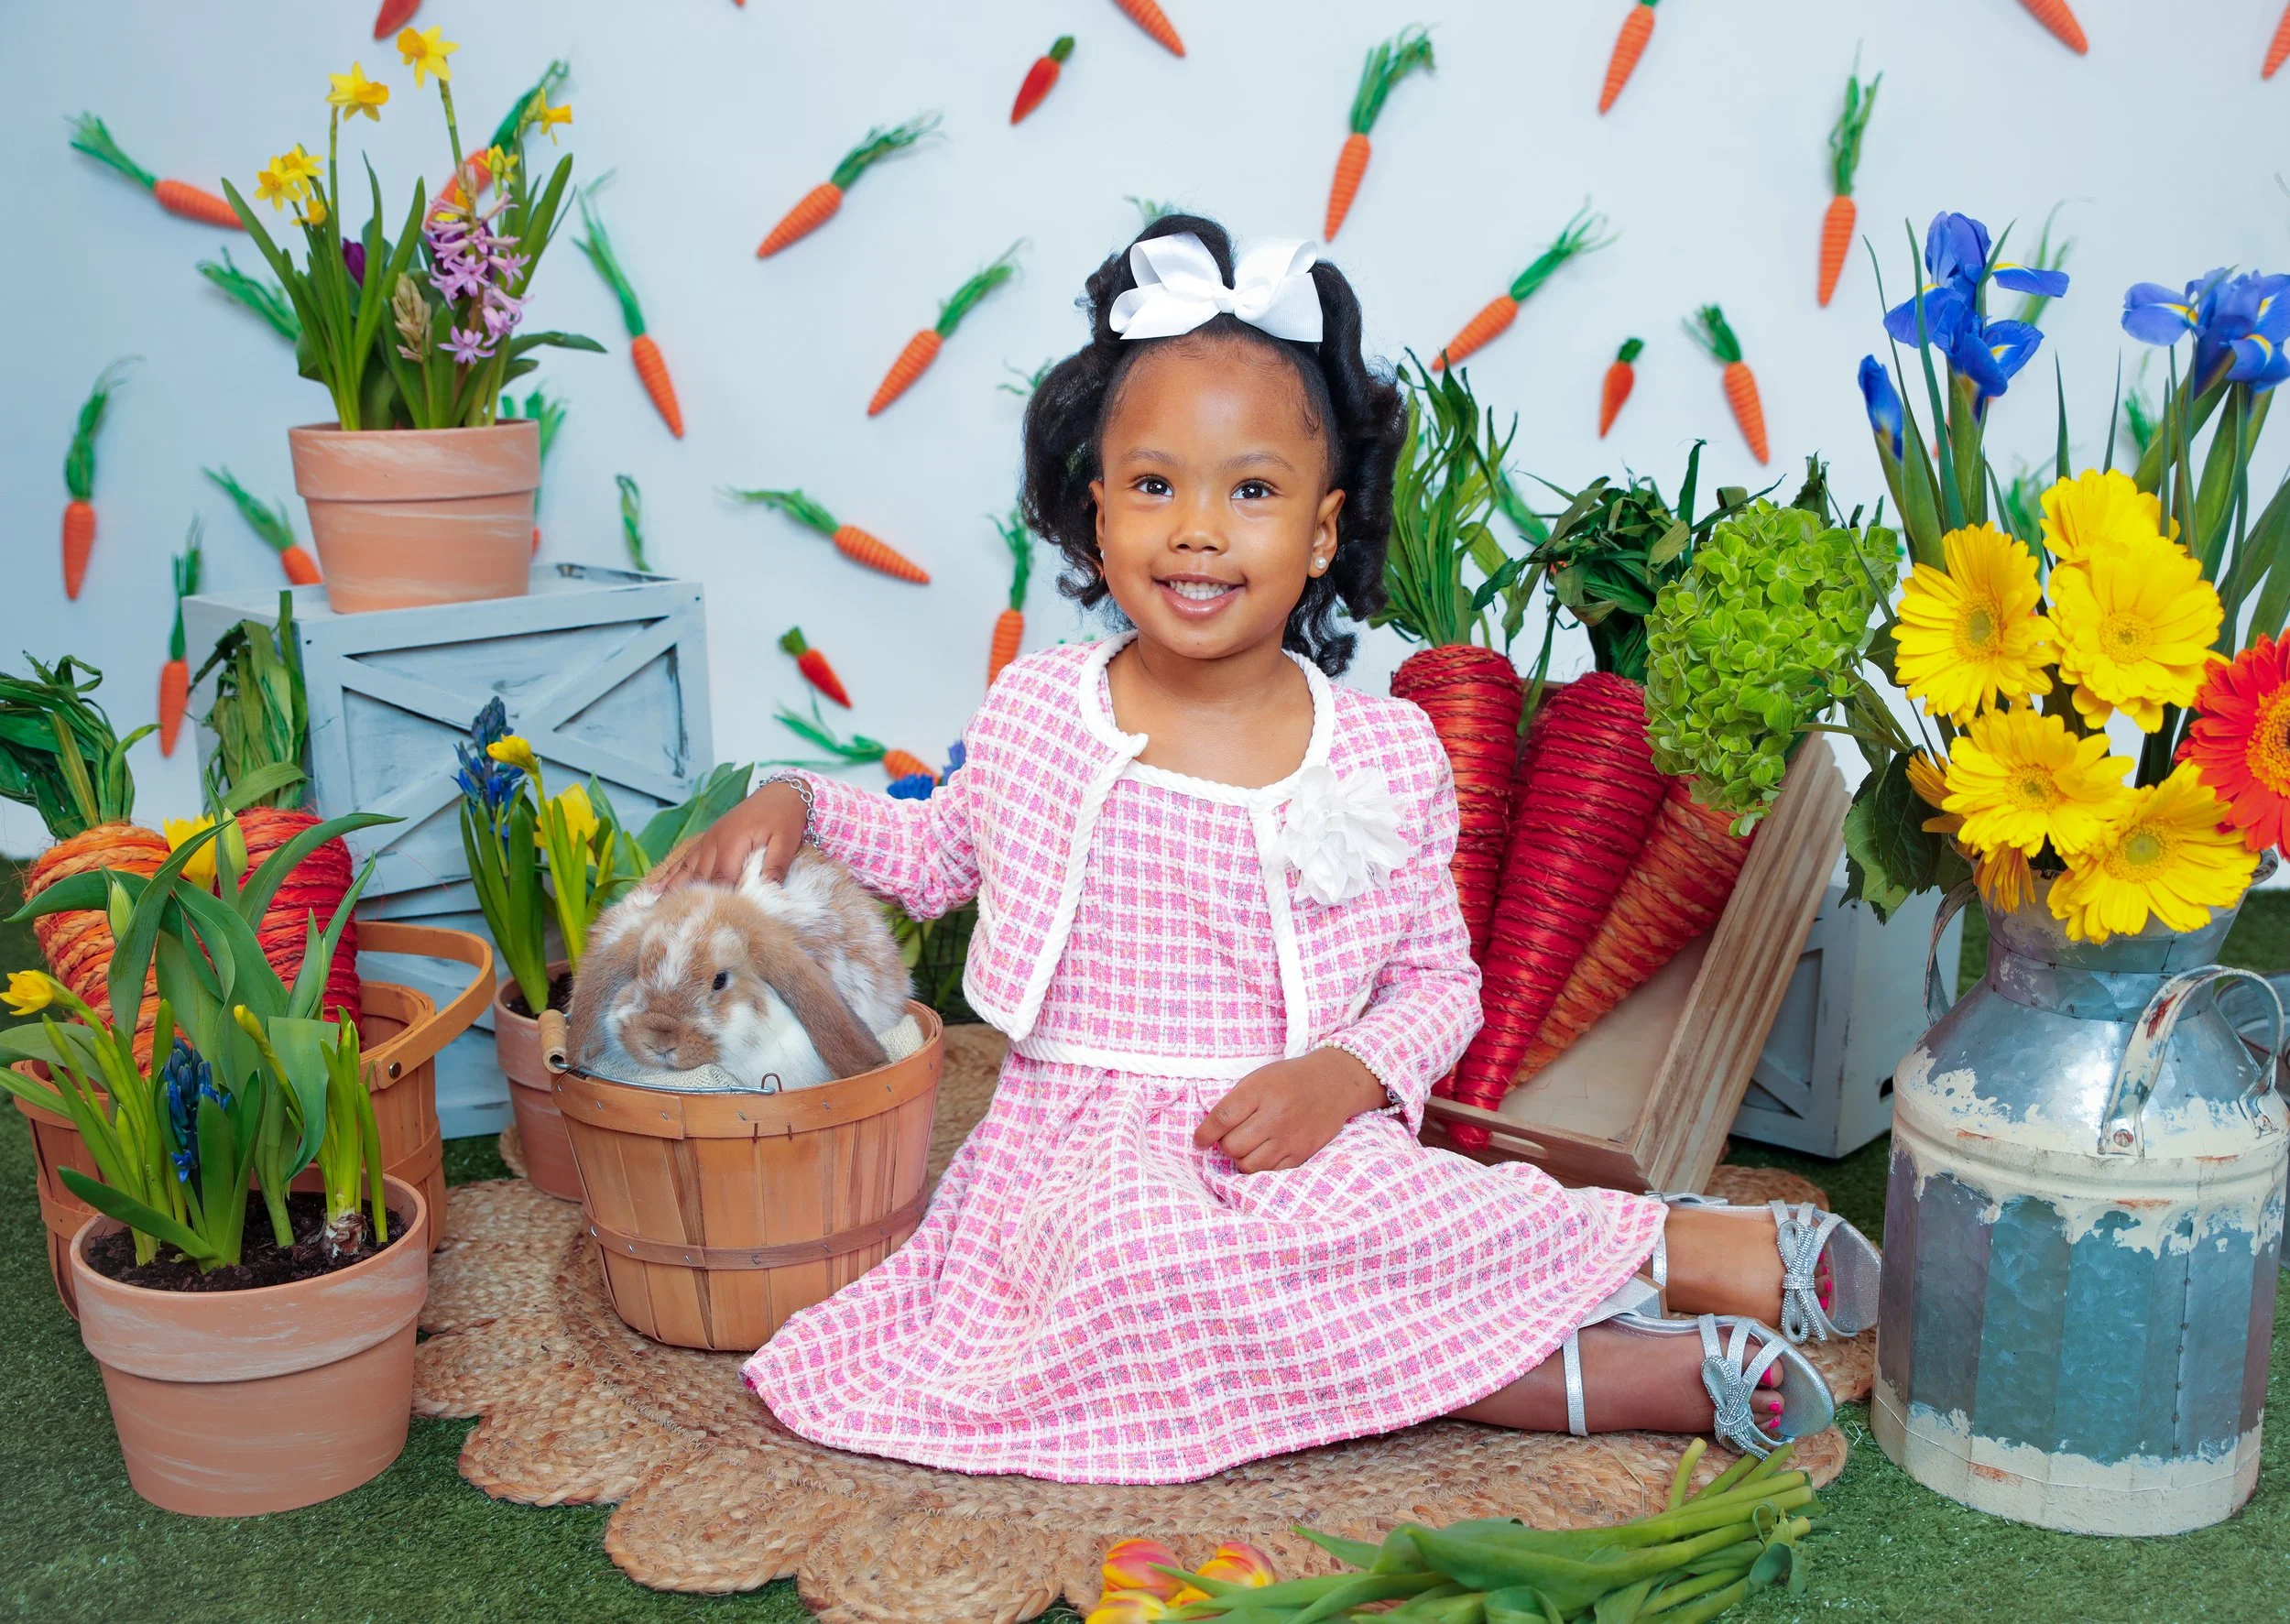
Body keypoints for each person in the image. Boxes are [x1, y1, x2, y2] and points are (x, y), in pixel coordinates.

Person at [647, 216, 1877, 1486]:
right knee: (1147, 1274)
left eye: (1251, 490)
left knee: (1393, 1218)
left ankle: (1664, 1249)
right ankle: (1605, 1375)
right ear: (1097, 508)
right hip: (1084, 1158)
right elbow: (931, 857)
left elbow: (1440, 986)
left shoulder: (1381, 751)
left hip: (1285, 1130)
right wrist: (799, 799)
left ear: (1325, 530)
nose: (1197, 530)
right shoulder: (1041, 715)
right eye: (1154, 484)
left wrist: (1340, 1080)